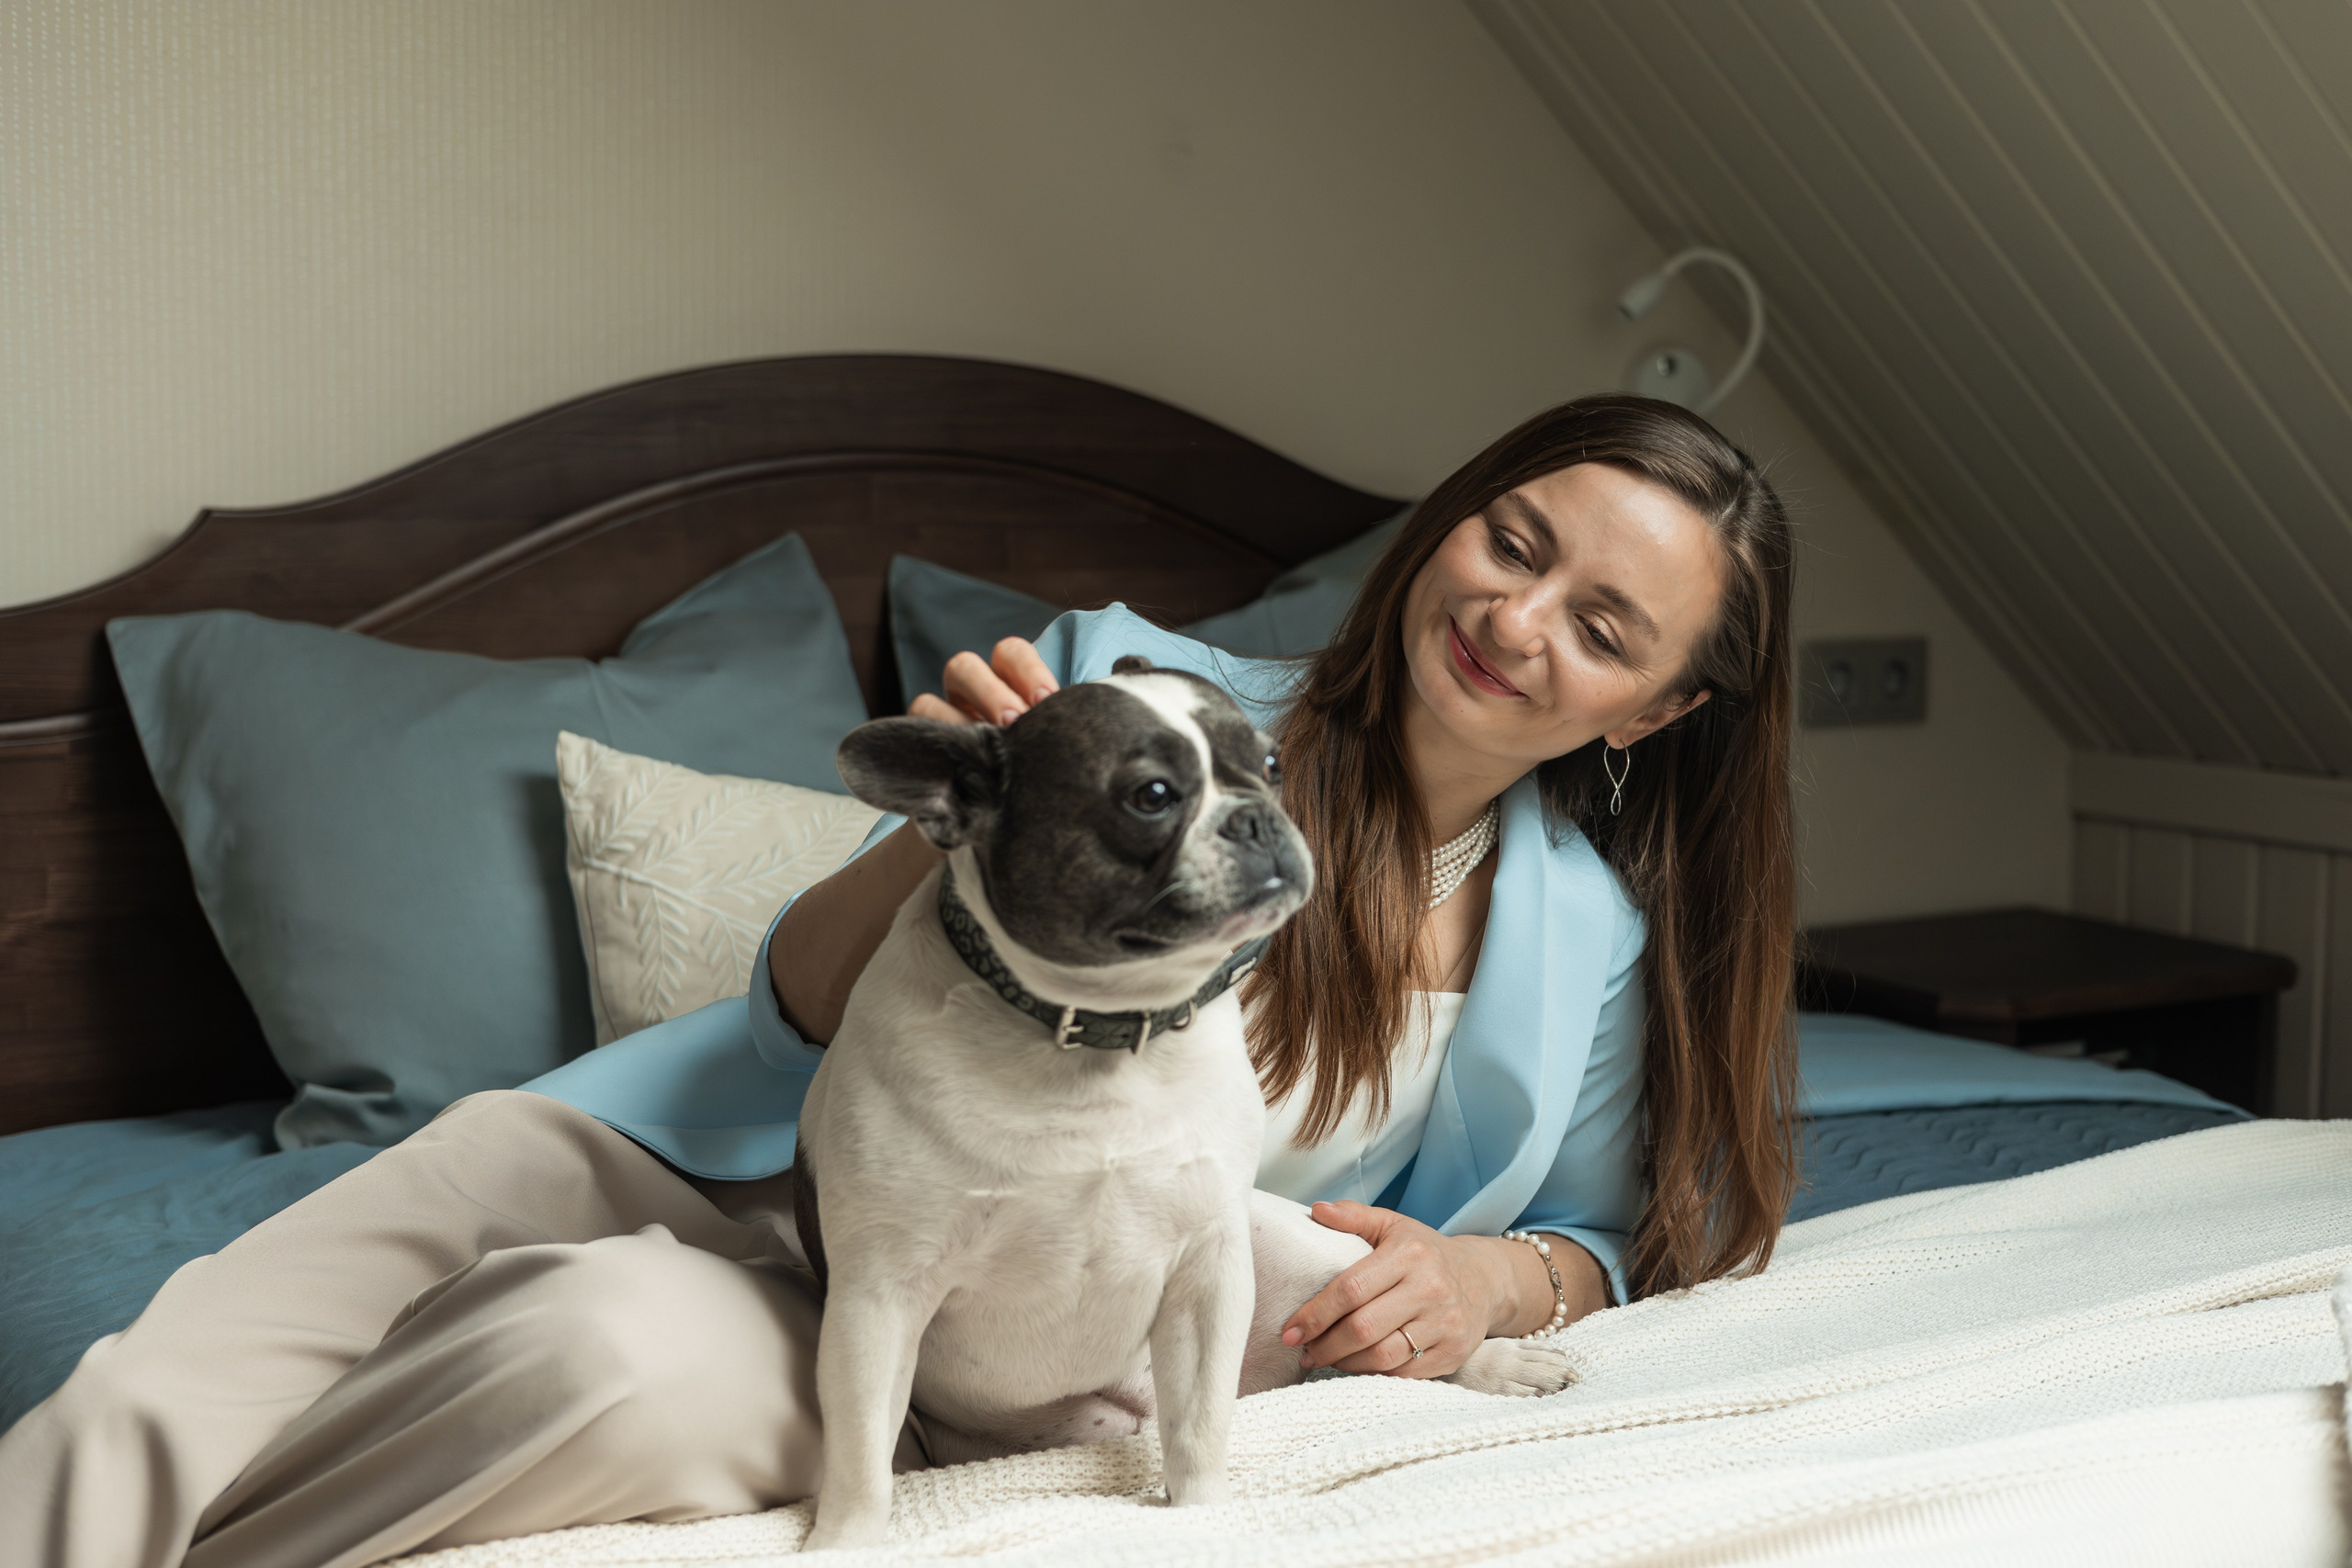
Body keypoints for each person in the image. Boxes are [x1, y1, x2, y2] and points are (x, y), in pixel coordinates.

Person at [0, 394, 1798, 1568]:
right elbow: (790, 998)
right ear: (1452, 518)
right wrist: (930, 835)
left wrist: (1492, 1273)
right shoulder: (1132, 687)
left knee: (592, 1358)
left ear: (1656, 709)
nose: (1516, 615)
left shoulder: (1584, 933)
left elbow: (1602, 1234)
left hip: (1012, 1352)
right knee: (141, 1405)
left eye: (1603, 625)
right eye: (1514, 539)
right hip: (723, 1164)